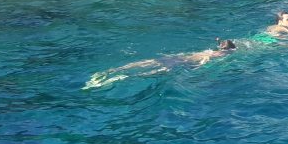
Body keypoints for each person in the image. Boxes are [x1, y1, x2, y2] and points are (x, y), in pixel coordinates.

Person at [83, 39, 237, 89]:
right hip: (182, 62)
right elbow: (205, 60)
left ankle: (111, 71)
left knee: (146, 62)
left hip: (177, 58)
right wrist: (198, 68)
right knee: (156, 71)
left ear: (222, 46)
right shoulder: (220, 54)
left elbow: (203, 55)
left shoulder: (211, 50)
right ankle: (120, 77)